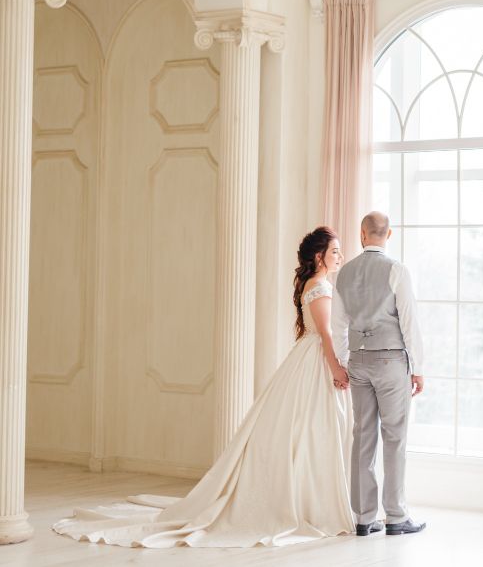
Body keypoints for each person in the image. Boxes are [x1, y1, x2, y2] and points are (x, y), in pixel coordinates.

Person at [52, 227, 354, 547]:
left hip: (307, 361)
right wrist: (336, 367)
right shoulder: (319, 287)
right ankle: (311, 503)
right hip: (315, 362)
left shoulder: (318, 285)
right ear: (319, 256)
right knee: (310, 431)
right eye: (335, 251)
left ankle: (313, 498)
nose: (340, 256)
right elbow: (325, 334)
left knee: (308, 433)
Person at [333, 211, 426, 536]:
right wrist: (419, 368)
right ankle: (397, 516)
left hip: (358, 361)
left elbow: (338, 325)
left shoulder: (344, 273)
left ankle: (364, 517)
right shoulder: (396, 270)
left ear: (362, 234)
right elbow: (409, 321)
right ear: (388, 234)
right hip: (391, 362)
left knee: (363, 437)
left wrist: (345, 361)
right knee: (395, 436)